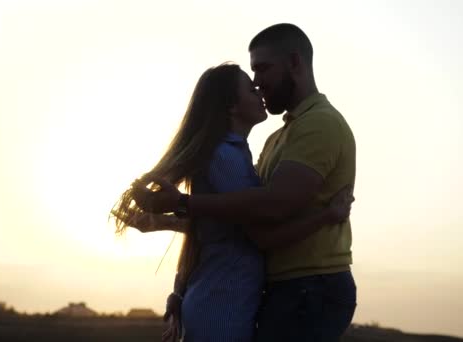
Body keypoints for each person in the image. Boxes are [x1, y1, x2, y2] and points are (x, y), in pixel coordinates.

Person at [132, 23, 357, 342]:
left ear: (294, 63)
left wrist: (180, 208)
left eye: (262, 70)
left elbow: (271, 209)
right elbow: (242, 225)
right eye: (252, 79)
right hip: (283, 289)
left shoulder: (318, 124)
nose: (258, 83)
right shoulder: (273, 140)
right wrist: (176, 216)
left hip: (309, 285)